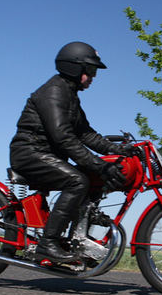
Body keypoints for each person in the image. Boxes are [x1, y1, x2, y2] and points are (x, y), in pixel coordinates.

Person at [9, 41, 133, 262]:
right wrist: (100, 165)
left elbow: (86, 134)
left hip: (46, 154)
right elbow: (63, 137)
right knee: (78, 181)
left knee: (90, 181)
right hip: (30, 153)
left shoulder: (70, 94)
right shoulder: (54, 92)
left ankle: (76, 240)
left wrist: (120, 150)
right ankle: (48, 244)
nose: (93, 76)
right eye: (91, 70)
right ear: (75, 68)